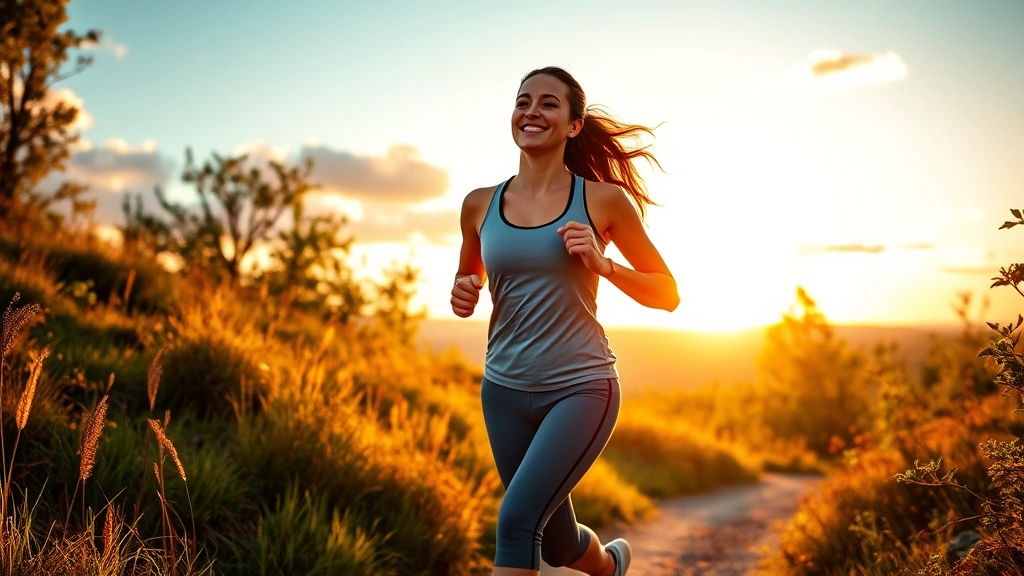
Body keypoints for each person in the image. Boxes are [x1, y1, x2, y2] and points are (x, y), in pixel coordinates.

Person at [451, 66, 679, 576]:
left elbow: (668, 294)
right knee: (554, 543)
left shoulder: (601, 201)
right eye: (523, 100)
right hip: (503, 391)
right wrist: (463, 293)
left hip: (581, 388)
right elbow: (470, 281)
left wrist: (606, 265)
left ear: (574, 125)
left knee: (515, 523)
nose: (532, 111)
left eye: (549, 103)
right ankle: (610, 567)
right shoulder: (477, 205)